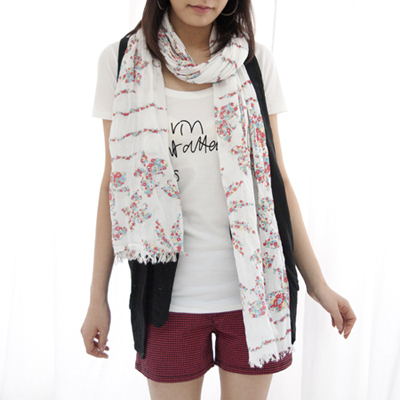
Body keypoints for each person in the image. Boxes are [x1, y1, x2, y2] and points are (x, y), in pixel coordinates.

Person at [81, 1, 357, 399]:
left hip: (256, 297)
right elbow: (114, 184)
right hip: (167, 302)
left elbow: (276, 181)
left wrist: (319, 285)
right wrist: (97, 299)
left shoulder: (253, 61)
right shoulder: (123, 61)